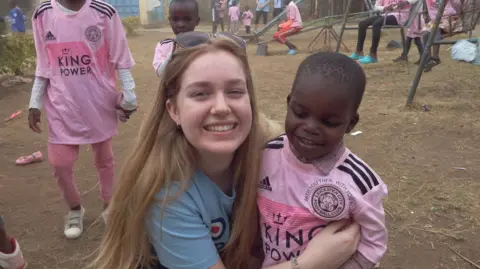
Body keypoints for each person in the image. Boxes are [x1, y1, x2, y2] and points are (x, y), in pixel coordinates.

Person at [91, 34, 362, 269]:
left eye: (234, 91)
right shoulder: (167, 194)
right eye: (200, 94)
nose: (221, 107)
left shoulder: (272, 153)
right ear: (173, 110)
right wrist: (312, 262)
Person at [258, 52, 388, 269]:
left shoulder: (359, 183)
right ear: (289, 104)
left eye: (328, 122)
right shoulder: (264, 155)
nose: (310, 127)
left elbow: (374, 243)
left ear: (350, 123)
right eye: (300, 113)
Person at [28, 0, 137, 239]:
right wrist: (34, 101)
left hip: (98, 103)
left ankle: (109, 205)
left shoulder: (104, 12)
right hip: (62, 105)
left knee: (104, 159)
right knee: (60, 163)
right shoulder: (43, 14)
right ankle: (75, 209)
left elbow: (121, 58)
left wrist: (129, 95)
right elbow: (43, 64)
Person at [350, 0, 419, 64]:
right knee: (362, 24)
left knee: (376, 24)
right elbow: (376, 7)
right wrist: (384, 8)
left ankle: (373, 55)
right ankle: (359, 52)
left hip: (399, 16)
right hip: (385, 15)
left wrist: (405, 2)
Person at [153, 0, 200, 76]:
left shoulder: (204, 46)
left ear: (197, 21)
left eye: (187, 19)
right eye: (175, 19)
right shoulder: (163, 46)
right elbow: (160, 73)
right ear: (170, 20)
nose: (181, 25)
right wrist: (173, 55)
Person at [421, 0, 459, 72]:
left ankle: (436, 57)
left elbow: (452, 8)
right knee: (425, 33)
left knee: (436, 30)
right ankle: (428, 59)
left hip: (448, 18)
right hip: (435, 20)